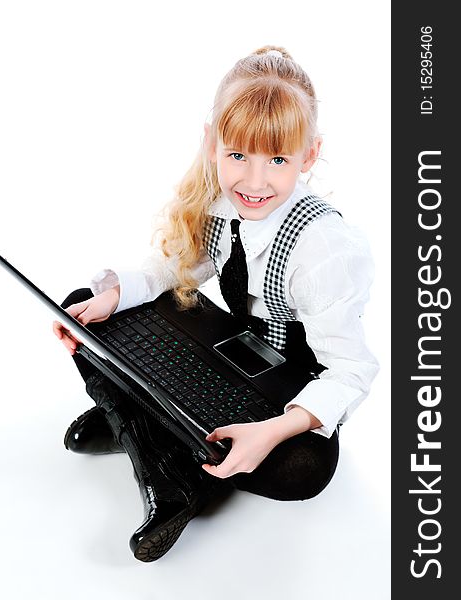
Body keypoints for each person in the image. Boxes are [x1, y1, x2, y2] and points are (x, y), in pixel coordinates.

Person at [53, 45, 379, 562]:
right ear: (212, 142)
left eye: (276, 159)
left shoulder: (326, 247)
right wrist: (115, 295)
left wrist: (271, 431)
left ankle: (146, 434)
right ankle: (162, 447)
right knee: (84, 306)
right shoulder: (221, 204)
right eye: (237, 155)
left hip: (279, 396)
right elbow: (175, 271)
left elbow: (353, 370)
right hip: (232, 353)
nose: (254, 181)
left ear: (309, 155)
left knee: (303, 470)